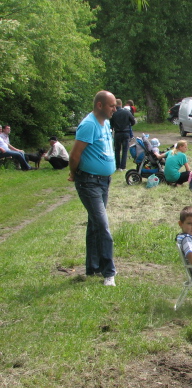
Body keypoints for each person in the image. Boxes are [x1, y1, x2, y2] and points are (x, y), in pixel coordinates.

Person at [68, 90, 118, 286]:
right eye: (111, 105)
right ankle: (109, 273)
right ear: (100, 105)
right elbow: (74, 155)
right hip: (89, 182)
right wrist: (74, 174)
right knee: (103, 225)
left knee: (95, 225)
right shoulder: (89, 125)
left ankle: (93, 267)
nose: (115, 108)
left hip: (103, 181)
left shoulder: (105, 122)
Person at [110, 99, 136, 171]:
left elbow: (111, 124)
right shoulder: (126, 112)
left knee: (117, 150)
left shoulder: (113, 113)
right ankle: (123, 166)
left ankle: (117, 166)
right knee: (125, 150)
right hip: (126, 132)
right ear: (121, 104)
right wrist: (128, 124)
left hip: (117, 133)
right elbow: (133, 121)